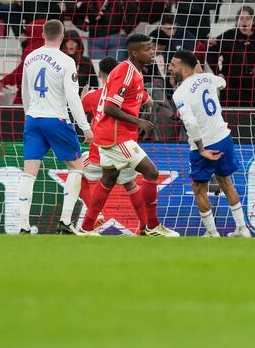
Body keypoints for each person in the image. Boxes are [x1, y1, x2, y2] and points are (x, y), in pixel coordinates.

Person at [79, 34, 179, 237]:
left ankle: (87, 227)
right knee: (151, 173)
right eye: (147, 49)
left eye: (152, 49)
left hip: (107, 137)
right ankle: (151, 226)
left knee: (108, 180)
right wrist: (138, 121)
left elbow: (134, 99)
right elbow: (109, 107)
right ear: (135, 53)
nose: (152, 52)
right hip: (117, 137)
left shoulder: (133, 72)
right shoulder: (126, 73)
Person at [18, 19, 93, 235]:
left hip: (33, 118)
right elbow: (73, 98)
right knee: (77, 167)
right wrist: (85, 127)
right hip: (56, 119)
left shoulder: (30, 57)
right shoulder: (66, 61)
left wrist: (28, 115)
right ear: (62, 36)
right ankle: (65, 221)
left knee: (29, 172)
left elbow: (25, 91)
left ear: (43, 34)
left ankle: (23, 225)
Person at [168, 50, 251, 238]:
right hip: (223, 137)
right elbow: (223, 82)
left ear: (184, 68)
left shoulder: (180, 93)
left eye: (173, 65)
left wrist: (201, 148)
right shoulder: (207, 78)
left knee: (198, 188)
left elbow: (189, 123)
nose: (170, 69)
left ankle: (212, 233)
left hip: (204, 144)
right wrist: (203, 75)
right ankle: (243, 229)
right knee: (226, 182)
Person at [79, 56, 146, 234]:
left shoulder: (92, 97)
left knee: (75, 172)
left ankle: (95, 216)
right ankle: (145, 227)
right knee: (131, 184)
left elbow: (77, 113)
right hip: (124, 150)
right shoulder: (129, 87)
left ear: (100, 73)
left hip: (98, 156)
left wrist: (81, 98)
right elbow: (146, 99)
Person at [206, 5, 255, 107]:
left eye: (247, 18)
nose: (244, 21)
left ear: (253, 21)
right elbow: (211, 54)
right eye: (241, 18)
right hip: (231, 89)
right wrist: (218, 73)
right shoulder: (229, 36)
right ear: (237, 21)